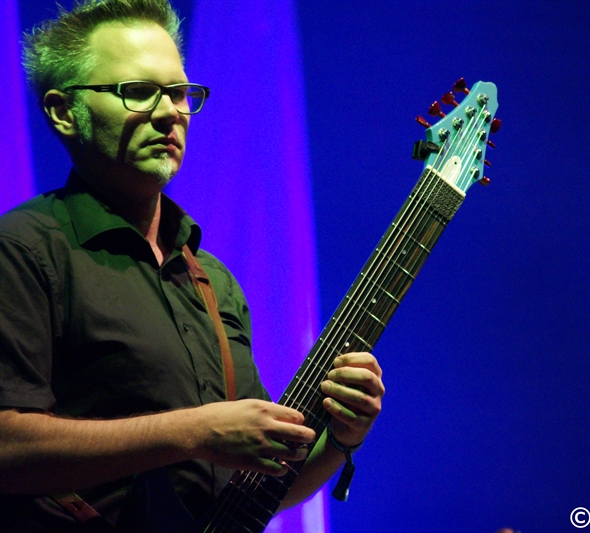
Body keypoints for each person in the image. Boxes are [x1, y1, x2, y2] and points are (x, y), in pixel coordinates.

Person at [0, 0, 384, 529]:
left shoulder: (213, 280)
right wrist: (194, 433)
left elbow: (258, 487)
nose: (170, 113)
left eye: (179, 92)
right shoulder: (22, 250)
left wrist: (340, 439)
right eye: (138, 91)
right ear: (64, 111)